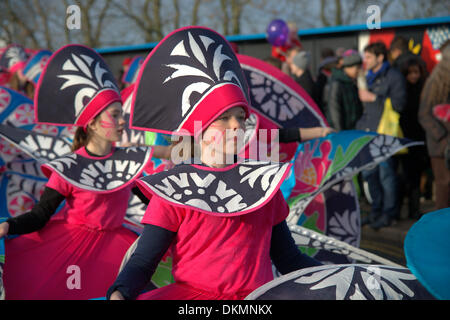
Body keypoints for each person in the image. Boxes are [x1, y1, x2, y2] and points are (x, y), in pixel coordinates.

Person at [107, 26, 322, 300]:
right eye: (224, 117)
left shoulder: (264, 185)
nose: (236, 125)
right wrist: (119, 294)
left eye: (241, 117)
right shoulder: (175, 189)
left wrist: (344, 277)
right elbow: (142, 262)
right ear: (200, 128)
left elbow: (289, 259)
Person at [0, 44, 168, 300]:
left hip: (116, 248)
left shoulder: (128, 162)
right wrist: (8, 225)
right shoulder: (69, 166)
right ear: (92, 123)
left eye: (122, 114)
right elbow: (40, 215)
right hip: (70, 249)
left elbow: (153, 200)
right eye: (115, 115)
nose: (123, 121)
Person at [356, 41, 406, 230]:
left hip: (385, 135)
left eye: (368, 57)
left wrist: (375, 98)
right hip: (368, 134)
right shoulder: (368, 77)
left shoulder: (394, 77)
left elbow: (400, 104)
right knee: (370, 175)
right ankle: (376, 211)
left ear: (380, 57)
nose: (365, 61)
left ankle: (389, 213)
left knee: (386, 175)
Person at [419, 45, 450, 210]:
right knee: (444, 186)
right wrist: (442, 137)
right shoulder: (435, 83)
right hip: (440, 147)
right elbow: (423, 115)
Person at [397, 56, 429, 219]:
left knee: (415, 177)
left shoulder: (423, 90)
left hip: (419, 139)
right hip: (405, 138)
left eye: (416, 72)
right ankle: (398, 210)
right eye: (410, 73)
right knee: (405, 177)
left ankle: (413, 210)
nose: (413, 76)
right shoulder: (402, 91)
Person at [324, 49, 363, 131]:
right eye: (357, 68)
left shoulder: (351, 83)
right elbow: (334, 109)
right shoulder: (337, 83)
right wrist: (339, 132)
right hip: (342, 132)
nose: (359, 71)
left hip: (352, 130)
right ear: (349, 67)